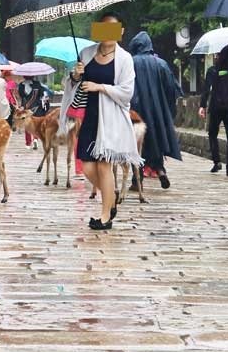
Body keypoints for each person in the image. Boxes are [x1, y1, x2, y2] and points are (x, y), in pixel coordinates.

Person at [60, 12, 140, 230]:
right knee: (86, 165)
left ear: (120, 32)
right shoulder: (86, 53)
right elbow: (74, 84)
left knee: (104, 165)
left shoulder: (125, 59)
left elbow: (126, 92)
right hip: (88, 116)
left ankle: (105, 216)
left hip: (111, 118)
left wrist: (100, 87)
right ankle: (110, 195)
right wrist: (76, 76)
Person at [129, 32, 181, 189]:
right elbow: (172, 90)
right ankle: (160, 170)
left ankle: (136, 180)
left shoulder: (130, 62)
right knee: (156, 140)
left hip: (136, 110)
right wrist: (168, 111)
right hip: (158, 111)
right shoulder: (161, 64)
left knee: (136, 144)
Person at [198, 51, 228, 176]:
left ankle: (217, 162)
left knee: (212, 134)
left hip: (216, 107)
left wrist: (202, 105)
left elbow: (206, 90)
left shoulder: (212, 70)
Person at [17, 76, 49, 149]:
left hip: (26, 107)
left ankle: (28, 143)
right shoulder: (37, 84)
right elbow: (42, 95)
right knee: (36, 125)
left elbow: (22, 97)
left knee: (27, 125)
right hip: (37, 107)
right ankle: (35, 139)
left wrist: (22, 106)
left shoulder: (21, 85)